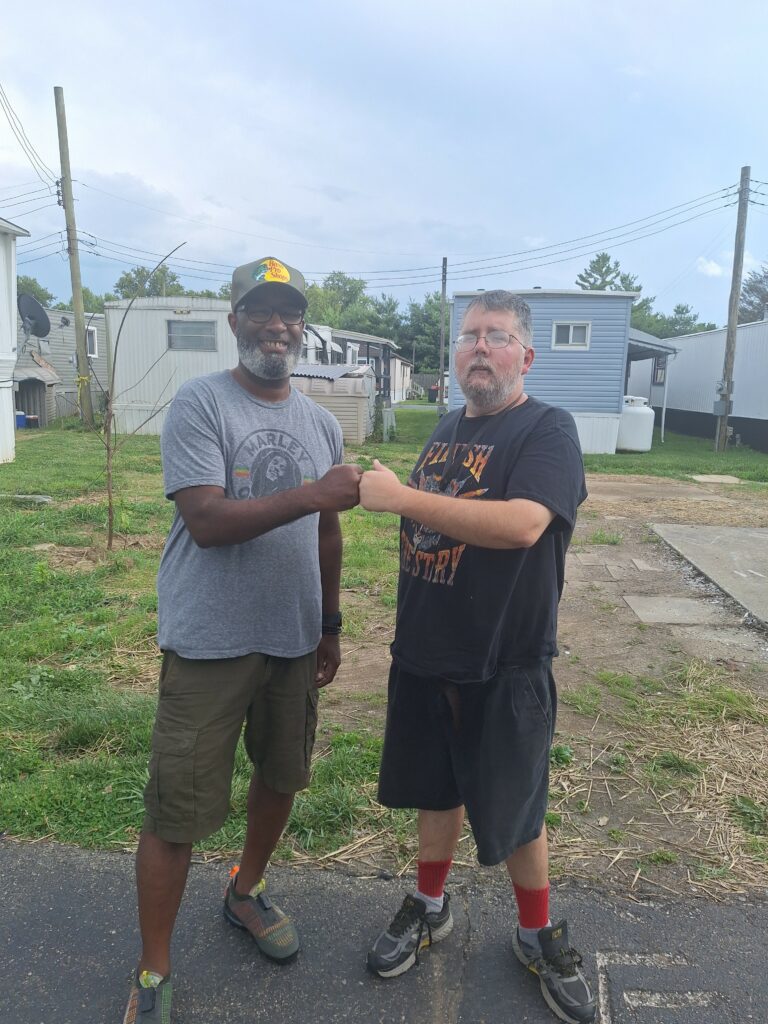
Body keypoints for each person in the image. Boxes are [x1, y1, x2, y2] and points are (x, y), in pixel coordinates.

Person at [123, 257, 362, 1023]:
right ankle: (154, 972)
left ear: (301, 329)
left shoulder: (321, 422)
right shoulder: (201, 405)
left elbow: (328, 534)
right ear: (235, 322)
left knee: (283, 776)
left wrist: (329, 623)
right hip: (210, 644)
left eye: (290, 314)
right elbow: (207, 520)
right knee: (177, 809)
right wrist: (313, 492)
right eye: (261, 311)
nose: (278, 326)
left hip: (292, 639)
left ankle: (246, 889)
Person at [359, 290, 595, 1024]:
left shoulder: (547, 430)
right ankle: (431, 905)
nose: (480, 348)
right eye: (468, 337)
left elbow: (525, 524)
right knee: (438, 789)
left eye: (497, 337)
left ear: (525, 356)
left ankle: (535, 932)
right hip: (429, 651)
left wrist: (399, 499)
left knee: (518, 809)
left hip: (507, 657)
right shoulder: (445, 426)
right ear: (455, 357)